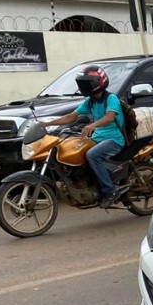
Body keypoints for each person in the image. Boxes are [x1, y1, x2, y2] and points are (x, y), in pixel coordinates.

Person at [45, 64, 128, 207]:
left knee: (92, 155)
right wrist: (47, 124)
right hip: (97, 138)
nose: (84, 86)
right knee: (74, 150)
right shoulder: (90, 101)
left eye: (87, 83)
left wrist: (92, 125)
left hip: (114, 139)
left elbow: (109, 117)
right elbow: (72, 116)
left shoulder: (111, 99)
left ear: (97, 83)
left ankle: (110, 190)